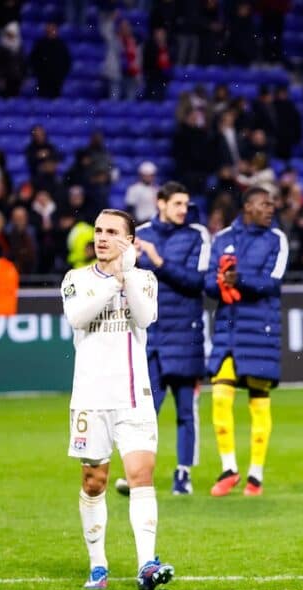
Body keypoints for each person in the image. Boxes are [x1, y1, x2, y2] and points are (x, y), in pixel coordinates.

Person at [60, 208, 174, 590]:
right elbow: (78, 317)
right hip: (91, 397)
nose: (102, 238)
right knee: (95, 482)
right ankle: (98, 565)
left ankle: (147, 564)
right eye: (98, 230)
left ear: (129, 240)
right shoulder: (76, 279)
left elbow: (143, 318)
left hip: (134, 397)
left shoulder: (144, 280)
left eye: (112, 232)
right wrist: (112, 281)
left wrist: (126, 277)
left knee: (142, 476)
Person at [114, 182, 210, 496]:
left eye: (186, 203)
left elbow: (198, 282)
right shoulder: (139, 234)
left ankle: (183, 474)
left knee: (186, 410)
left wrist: (158, 262)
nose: (184, 209)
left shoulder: (197, 235)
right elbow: (121, 277)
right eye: (178, 203)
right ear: (161, 203)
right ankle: (137, 475)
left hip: (186, 335)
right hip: (150, 336)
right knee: (145, 412)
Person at [205, 187, 288, 497]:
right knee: (220, 397)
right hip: (228, 328)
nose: (271, 208)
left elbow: (273, 282)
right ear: (248, 206)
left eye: (273, 204)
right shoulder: (223, 237)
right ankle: (229, 468)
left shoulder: (277, 239)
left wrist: (240, 280)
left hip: (260, 331)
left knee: (257, 403)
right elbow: (207, 283)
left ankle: (255, 475)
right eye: (265, 203)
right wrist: (219, 283)